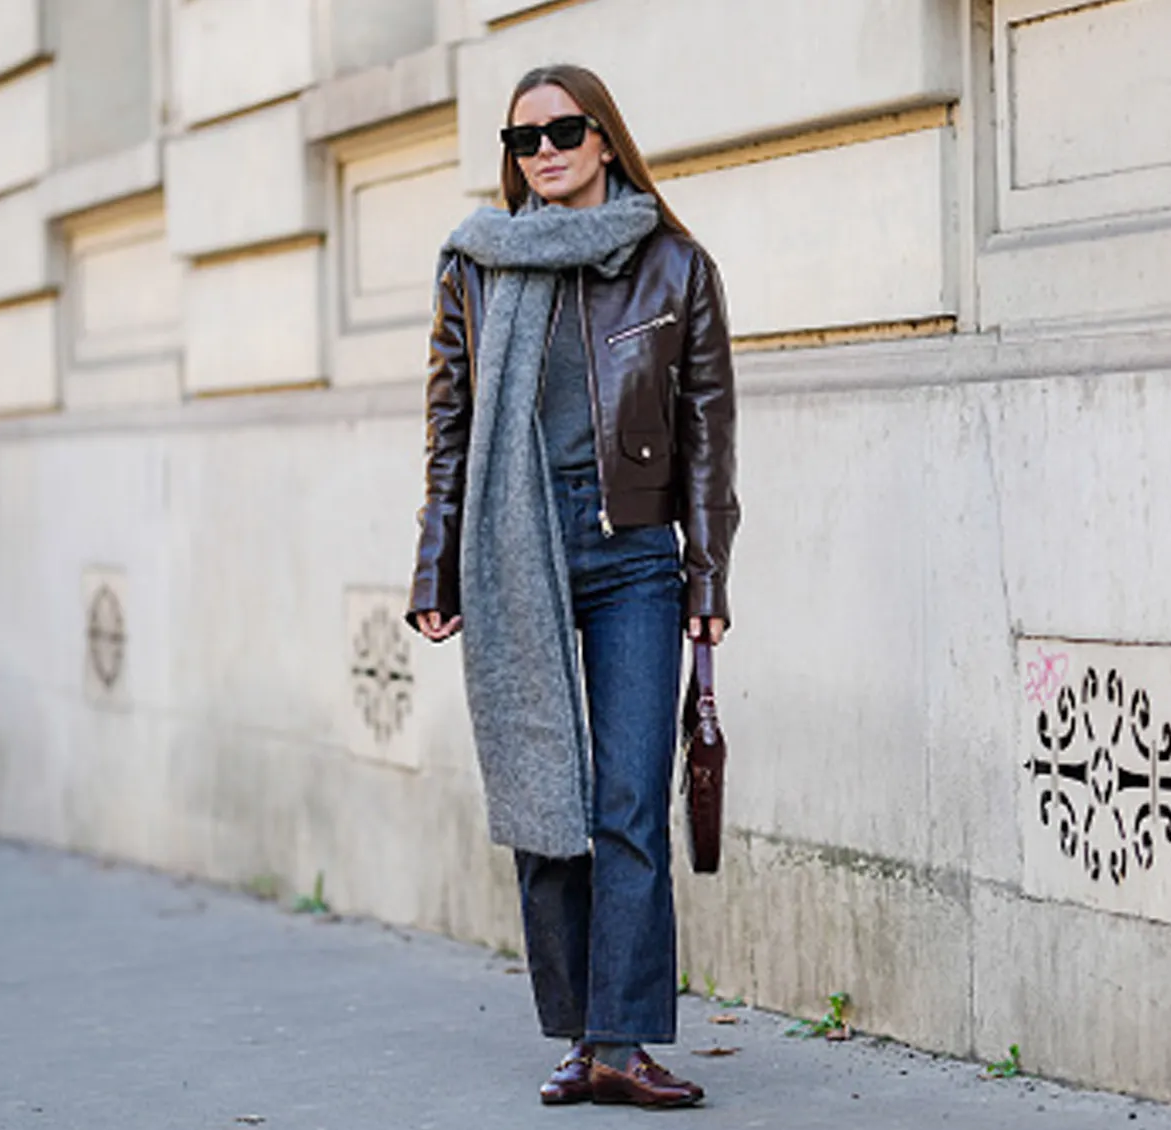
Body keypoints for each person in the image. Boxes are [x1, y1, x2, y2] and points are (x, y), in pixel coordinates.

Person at [405, 64, 739, 1109]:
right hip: (519, 559)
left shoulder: (673, 265)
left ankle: (621, 1039)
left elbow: (705, 436)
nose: (542, 150)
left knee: (628, 798)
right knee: (547, 799)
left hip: (632, 555)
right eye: (522, 140)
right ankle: (581, 1036)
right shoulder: (475, 266)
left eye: (561, 130)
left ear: (604, 138)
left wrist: (705, 574)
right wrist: (437, 557)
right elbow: (450, 426)